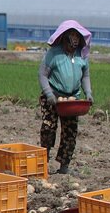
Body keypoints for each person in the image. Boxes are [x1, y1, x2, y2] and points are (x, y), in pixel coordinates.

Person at [39, 20, 93, 175]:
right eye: (71, 36)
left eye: (77, 37)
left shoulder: (81, 55)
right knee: (48, 128)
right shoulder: (53, 54)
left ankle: (64, 165)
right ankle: (43, 161)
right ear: (64, 37)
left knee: (70, 132)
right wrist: (49, 93)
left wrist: (88, 92)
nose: (73, 42)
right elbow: (43, 75)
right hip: (53, 97)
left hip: (72, 99)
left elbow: (85, 76)